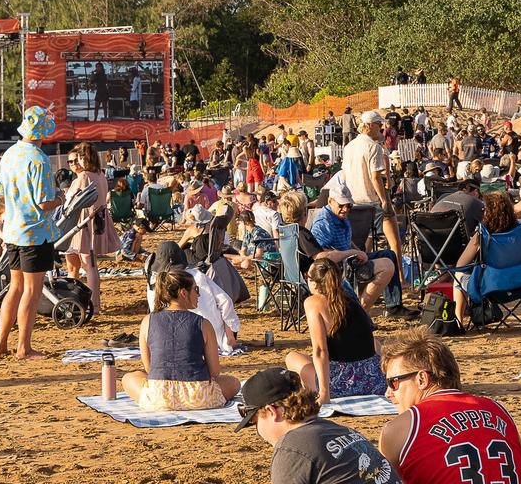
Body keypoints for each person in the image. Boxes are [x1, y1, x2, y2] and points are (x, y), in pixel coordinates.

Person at [378, 328, 521, 483]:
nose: (388, 393)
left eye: (393, 382)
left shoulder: (401, 429)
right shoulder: (499, 411)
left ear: (422, 379)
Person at [235, 367, 399, 484]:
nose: (258, 431)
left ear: (271, 411)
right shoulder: (341, 430)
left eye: (254, 421)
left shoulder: (291, 448)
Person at [0, 106, 64, 360]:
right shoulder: (39, 159)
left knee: (14, 288)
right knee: (31, 291)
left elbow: (1, 194)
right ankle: (24, 347)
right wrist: (60, 199)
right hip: (34, 232)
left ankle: (1, 344)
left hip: (12, 229)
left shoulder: (9, 155)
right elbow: (43, 203)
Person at [122, 268, 241, 410]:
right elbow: (214, 372)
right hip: (199, 397)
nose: (198, 294)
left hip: (159, 397)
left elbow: (149, 368)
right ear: (183, 293)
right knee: (234, 382)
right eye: (195, 289)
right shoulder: (203, 323)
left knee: (128, 378)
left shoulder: (148, 321)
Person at [285, 259, 387, 403]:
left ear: (313, 282)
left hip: (339, 386)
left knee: (292, 357)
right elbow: (372, 342)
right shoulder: (350, 299)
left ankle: (314, 389)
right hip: (373, 381)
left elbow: (321, 350)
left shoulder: (314, 302)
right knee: (374, 343)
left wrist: (324, 393)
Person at [309, 177, 408, 316]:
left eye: (348, 205)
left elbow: (348, 240)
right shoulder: (323, 222)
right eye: (341, 205)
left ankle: (394, 305)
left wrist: (357, 251)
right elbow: (321, 256)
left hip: (350, 258)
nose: (345, 209)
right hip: (341, 266)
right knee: (387, 265)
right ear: (330, 201)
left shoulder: (340, 216)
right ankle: (360, 312)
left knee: (389, 254)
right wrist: (351, 253)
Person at [450, 191, 521, 327]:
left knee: (459, 274)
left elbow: (461, 264)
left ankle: (458, 322)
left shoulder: (482, 234)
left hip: (490, 287)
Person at [340, 110, 405, 260]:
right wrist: (384, 200)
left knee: (363, 241)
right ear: (369, 126)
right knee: (394, 241)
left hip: (353, 202)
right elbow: (375, 177)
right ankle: (401, 278)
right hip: (370, 200)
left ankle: (361, 266)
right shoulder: (373, 147)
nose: (381, 128)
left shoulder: (349, 146)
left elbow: (344, 174)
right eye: (378, 125)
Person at [63, 143, 118, 313]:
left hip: (83, 223)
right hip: (97, 221)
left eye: (77, 158)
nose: (75, 163)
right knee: (86, 265)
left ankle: (92, 304)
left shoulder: (84, 176)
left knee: (88, 265)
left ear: (83, 157)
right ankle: (92, 303)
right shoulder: (100, 174)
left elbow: (69, 201)